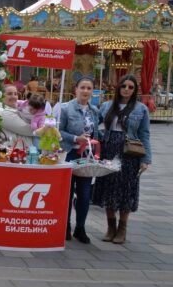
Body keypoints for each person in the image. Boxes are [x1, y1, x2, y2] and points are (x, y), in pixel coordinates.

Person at [94, 75, 151, 244]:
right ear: (118, 87)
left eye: (131, 87)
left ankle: (122, 229)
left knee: (126, 190)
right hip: (108, 150)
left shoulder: (141, 109)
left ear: (134, 90)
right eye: (124, 86)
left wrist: (146, 159)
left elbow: (144, 134)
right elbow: (96, 128)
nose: (126, 89)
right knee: (109, 188)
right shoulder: (106, 106)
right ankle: (110, 227)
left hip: (130, 153)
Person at [59, 76, 101, 244]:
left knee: (84, 194)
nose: (85, 91)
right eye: (82, 87)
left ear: (92, 91)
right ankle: (65, 226)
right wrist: (76, 138)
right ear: (75, 89)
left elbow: (96, 133)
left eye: (89, 88)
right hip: (69, 154)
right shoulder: (65, 109)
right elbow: (58, 131)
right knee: (67, 193)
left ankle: (80, 227)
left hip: (87, 157)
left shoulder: (95, 111)